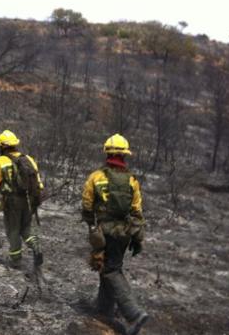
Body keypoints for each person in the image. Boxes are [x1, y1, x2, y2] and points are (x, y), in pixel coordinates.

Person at [81, 133, 149, 335]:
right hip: (125, 233)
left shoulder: (96, 177)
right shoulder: (132, 181)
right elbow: (137, 211)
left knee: (111, 270)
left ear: (107, 154)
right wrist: (137, 237)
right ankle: (104, 310)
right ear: (125, 156)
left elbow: (87, 203)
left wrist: (90, 223)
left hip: (104, 231)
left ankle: (134, 314)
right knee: (108, 267)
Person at [0, 130, 44, 269]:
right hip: (28, 200)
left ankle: (16, 260)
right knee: (26, 228)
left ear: (2, 146)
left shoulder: (1, 160)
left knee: (13, 230)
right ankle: (36, 246)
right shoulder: (28, 159)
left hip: (12, 201)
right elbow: (38, 182)